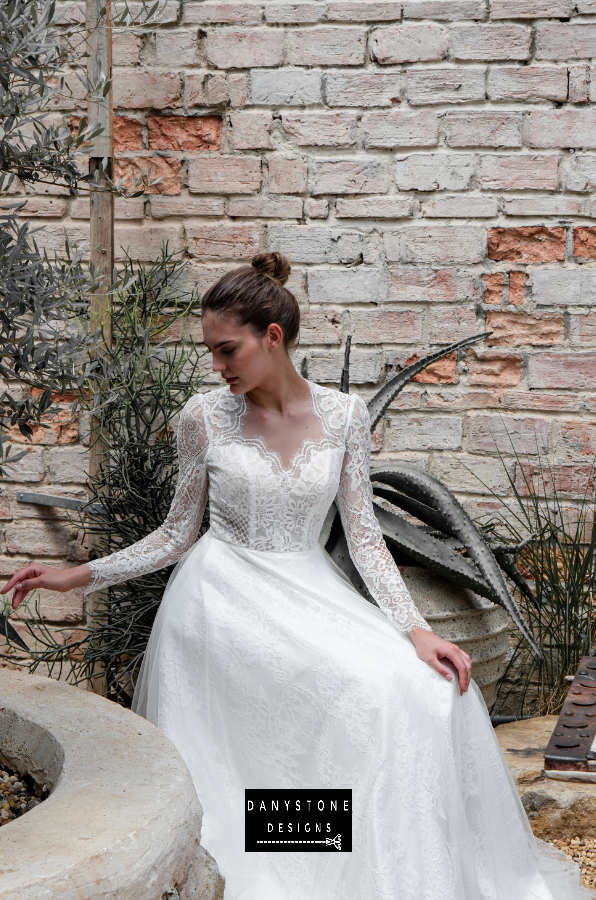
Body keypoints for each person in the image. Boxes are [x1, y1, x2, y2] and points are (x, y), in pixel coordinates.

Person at [1, 252, 592, 900]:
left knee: (419, 690)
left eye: (228, 350)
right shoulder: (203, 417)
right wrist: (75, 576)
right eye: (212, 352)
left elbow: (364, 539)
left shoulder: (344, 416)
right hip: (221, 609)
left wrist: (418, 632)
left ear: (272, 338)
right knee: (320, 727)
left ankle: (379, 872)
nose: (218, 366)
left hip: (310, 594)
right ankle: (278, 864)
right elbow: (175, 535)